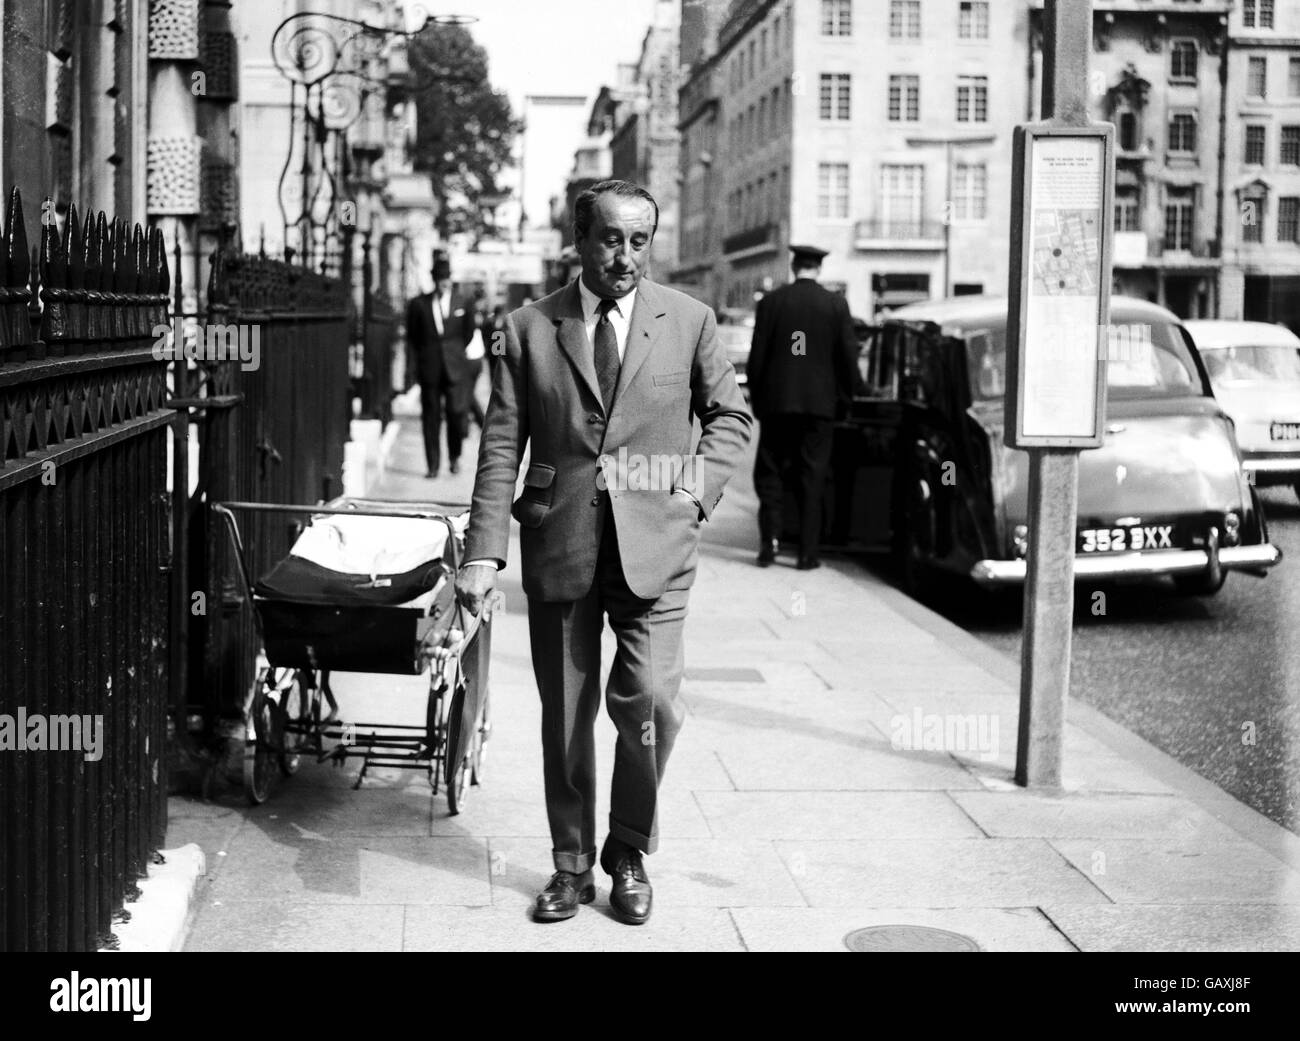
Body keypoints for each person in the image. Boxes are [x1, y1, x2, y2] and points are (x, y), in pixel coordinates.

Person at [455, 179, 752, 925]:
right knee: (566, 712)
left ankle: (627, 848)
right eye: (612, 240)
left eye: (639, 241)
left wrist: (693, 493)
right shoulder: (528, 327)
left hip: (659, 543)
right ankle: (568, 862)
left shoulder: (688, 319)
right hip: (562, 541)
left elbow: (730, 419)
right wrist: (483, 551)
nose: (625, 257)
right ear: (580, 240)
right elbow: (501, 446)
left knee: (650, 702)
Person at [746, 244, 858, 570]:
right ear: (818, 269)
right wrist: (848, 398)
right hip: (819, 407)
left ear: (794, 267)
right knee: (813, 477)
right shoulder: (836, 305)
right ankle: (808, 553)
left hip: (778, 404)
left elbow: (757, 359)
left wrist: (759, 399)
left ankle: (769, 545)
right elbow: (848, 359)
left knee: (770, 475)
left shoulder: (771, 303)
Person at [405, 254, 477, 476]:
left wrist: (454, 353)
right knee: (431, 417)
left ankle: (454, 457)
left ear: (450, 279)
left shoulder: (463, 302)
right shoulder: (418, 304)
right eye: (438, 279)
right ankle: (433, 465)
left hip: (455, 368)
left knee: (456, 413)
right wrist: (423, 360)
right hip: (430, 368)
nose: (442, 283)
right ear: (433, 280)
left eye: (445, 278)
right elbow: (413, 337)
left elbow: (468, 333)